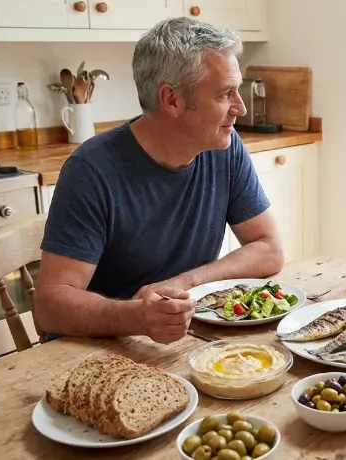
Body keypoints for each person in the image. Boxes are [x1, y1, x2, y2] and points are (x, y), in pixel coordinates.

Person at [34, 17, 284, 345]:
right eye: (225, 94)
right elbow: (49, 306)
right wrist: (137, 316)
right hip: (96, 349)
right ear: (171, 100)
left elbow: (269, 249)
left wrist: (185, 283)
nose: (240, 108)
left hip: (183, 338)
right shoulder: (91, 169)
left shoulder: (224, 146)